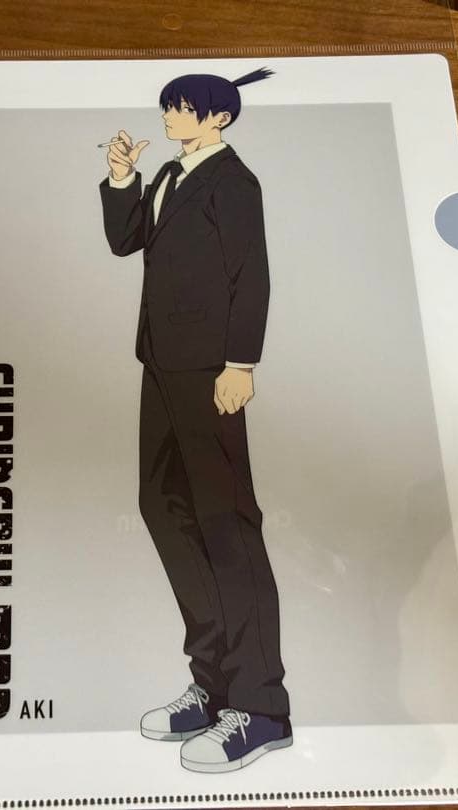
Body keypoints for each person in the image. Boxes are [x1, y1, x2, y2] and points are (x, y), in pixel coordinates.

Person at [98, 68, 292, 773]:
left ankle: (261, 708)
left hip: (211, 368)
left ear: (219, 119)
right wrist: (123, 178)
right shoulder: (170, 175)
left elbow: (252, 274)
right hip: (160, 360)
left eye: (181, 108)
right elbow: (127, 241)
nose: (168, 116)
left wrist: (241, 364)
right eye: (167, 106)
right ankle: (213, 687)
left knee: (225, 522)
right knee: (162, 505)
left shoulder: (234, 183)